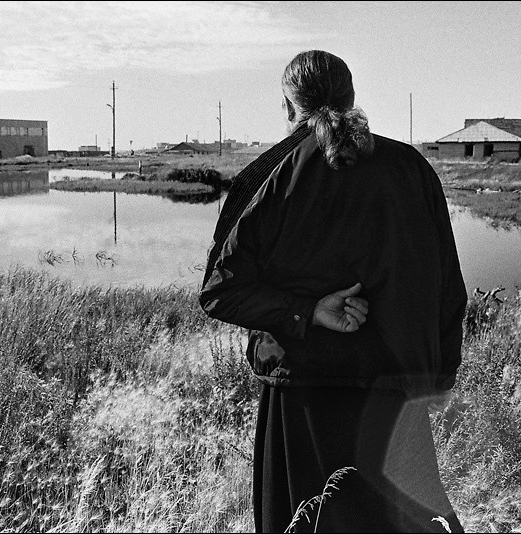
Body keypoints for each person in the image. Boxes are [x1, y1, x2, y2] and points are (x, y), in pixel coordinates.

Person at [199, 50, 466, 533]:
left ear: (288, 106)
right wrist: (440, 376)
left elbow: (220, 292)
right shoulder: (412, 168)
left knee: (305, 522)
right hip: (394, 393)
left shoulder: (266, 174)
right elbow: (448, 288)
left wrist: (306, 312)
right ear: (352, 98)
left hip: (301, 396)